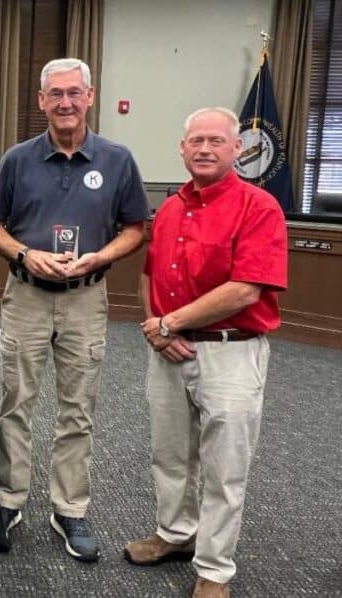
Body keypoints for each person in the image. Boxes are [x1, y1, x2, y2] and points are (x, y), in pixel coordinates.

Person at [0, 57, 149, 561]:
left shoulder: (117, 160)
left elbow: (136, 229)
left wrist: (100, 257)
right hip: (27, 296)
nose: (65, 102)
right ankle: (8, 500)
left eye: (74, 93)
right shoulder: (17, 159)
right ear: (41, 101)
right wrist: (25, 253)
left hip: (86, 299)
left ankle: (69, 508)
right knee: (15, 401)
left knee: (78, 409)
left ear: (90, 96)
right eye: (55, 94)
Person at [126, 107, 287, 598]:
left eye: (216, 141)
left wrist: (171, 322)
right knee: (170, 455)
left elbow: (246, 290)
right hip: (168, 351)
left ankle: (214, 569)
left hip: (230, 353)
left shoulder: (259, 207)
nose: (204, 148)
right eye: (195, 140)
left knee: (224, 468)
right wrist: (157, 332)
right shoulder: (172, 207)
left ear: (238, 149)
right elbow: (150, 276)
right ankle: (175, 534)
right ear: (181, 148)